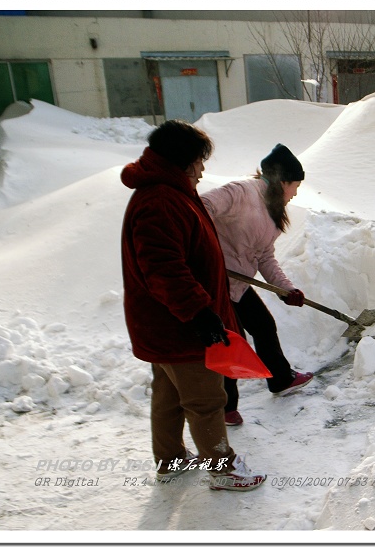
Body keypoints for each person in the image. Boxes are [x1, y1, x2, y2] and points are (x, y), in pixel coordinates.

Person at [120, 119, 265, 491]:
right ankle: (222, 469)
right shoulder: (160, 201)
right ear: (184, 161)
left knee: (168, 395)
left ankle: (170, 461)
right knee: (205, 401)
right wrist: (200, 313)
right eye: (200, 161)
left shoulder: (168, 194)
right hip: (179, 327)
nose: (203, 169)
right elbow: (165, 270)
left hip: (165, 326)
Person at [202, 143, 314, 426]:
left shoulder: (272, 210)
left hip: (238, 282)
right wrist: (206, 251)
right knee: (229, 341)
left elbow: (264, 256)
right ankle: (225, 407)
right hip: (215, 282)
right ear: (283, 181)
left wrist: (286, 289)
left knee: (263, 325)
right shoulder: (241, 192)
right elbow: (200, 208)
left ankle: (280, 379)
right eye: (295, 186)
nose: (296, 193)